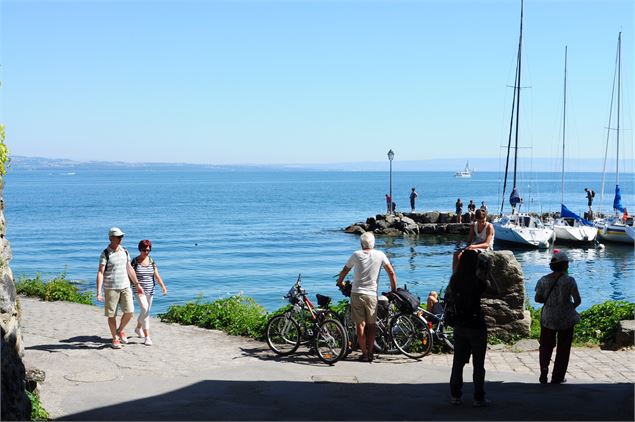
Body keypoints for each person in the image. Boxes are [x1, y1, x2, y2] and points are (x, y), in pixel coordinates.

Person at [336, 232, 397, 362]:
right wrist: (393, 290)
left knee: (360, 324)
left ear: (361, 243)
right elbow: (391, 273)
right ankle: (370, 352)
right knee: (372, 325)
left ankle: (364, 354)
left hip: (357, 293)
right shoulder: (380, 255)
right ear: (373, 243)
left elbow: (345, 270)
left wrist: (340, 281)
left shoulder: (356, 254)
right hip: (371, 294)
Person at [448, 249, 489, 407]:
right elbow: (495, 289)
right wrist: (485, 272)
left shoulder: (455, 280)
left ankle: (455, 395)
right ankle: (479, 397)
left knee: (457, 362)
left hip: (460, 324)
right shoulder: (477, 282)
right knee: (479, 364)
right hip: (477, 325)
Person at [534, 250, 581, 384]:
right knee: (563, 347)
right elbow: (578, 300)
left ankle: (544, 369)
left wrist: (550, 302)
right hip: (565, 318)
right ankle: (558, 377)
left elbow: (537, 299)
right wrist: (569, 306)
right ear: (565, 265)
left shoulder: (543, 280)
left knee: (546, 345)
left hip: (547, 317)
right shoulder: (570, 280)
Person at [96, 227, 144, 349]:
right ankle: (114, 338)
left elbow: (130, 268)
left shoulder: (125, 251)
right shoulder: (105, 253)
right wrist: (98, 292)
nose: (120, 239)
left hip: (125, 286)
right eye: (118, 237)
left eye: (121, 237)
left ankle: (120, 330)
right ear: (111, 238)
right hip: (110, 288)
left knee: (129, 311)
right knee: (112, 315)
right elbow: (100, 272)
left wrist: (137, 284)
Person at [131, 239, 168, 346]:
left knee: (146, 311)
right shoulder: (134, 262)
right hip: (138, 290)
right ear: (140, 249)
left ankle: (138, 328)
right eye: (144, 250)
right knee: (145, 309)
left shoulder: (151, 261)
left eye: (148, 250)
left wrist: (163, 287)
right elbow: (130, 276)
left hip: (150, 290)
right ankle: (147, 337)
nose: (146, 252)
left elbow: (156, 276)